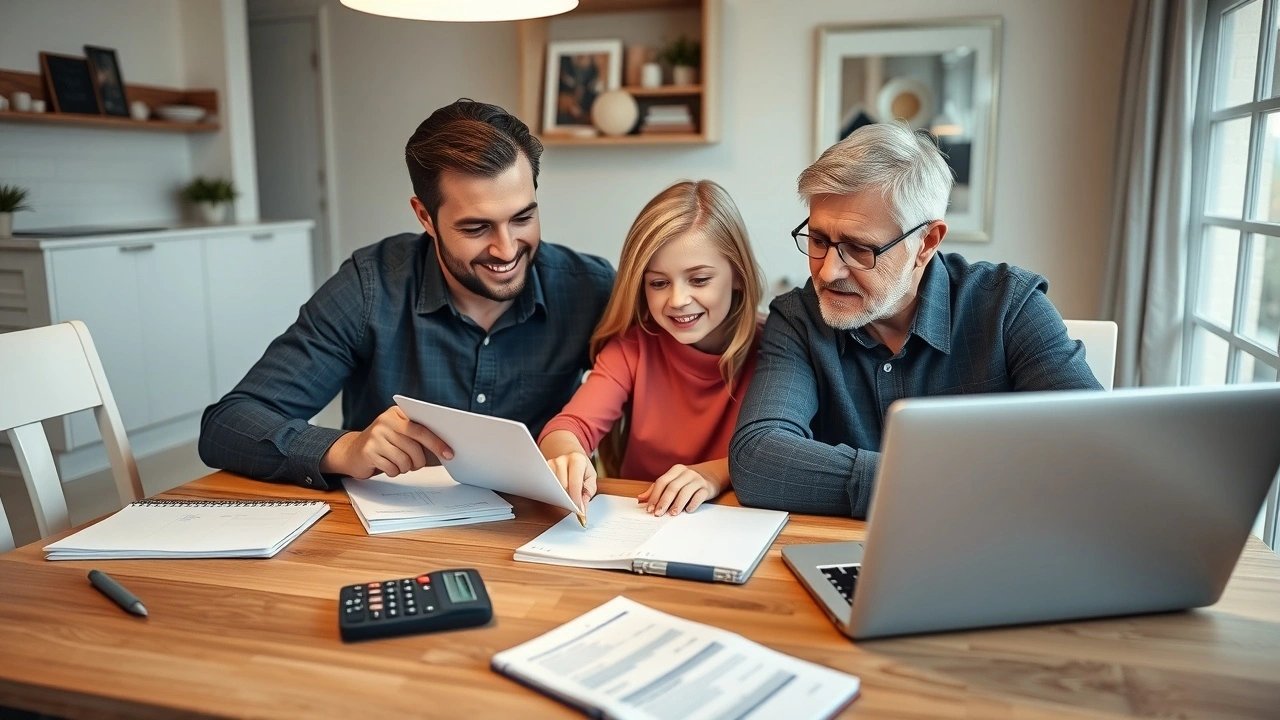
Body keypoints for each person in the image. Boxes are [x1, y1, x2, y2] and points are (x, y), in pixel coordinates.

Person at [199, 99, 615, 489]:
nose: (506, 249)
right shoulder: (370, 287)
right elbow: (228, 424)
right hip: (389, 541)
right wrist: (345, 448)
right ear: (425, 217)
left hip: (534, 533)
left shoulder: (589, 289)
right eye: (476, 228)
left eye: (523, 217)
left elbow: (668, 385)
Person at [729, 122, 1102, 518]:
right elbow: (757, 460)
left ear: (925, 243)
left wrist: (898, 484)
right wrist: (950, 484)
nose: (827, 272)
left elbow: (1092, 449)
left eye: (858, 248)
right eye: (819, 241)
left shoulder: (1010, 306)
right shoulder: (798, 318)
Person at [538, 180, 765, 519]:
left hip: (737, 523)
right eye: (658, 283)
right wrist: (568, 454)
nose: (677, 300)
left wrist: (713, 474)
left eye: (699, 279)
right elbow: (569, 427)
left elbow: (785, 452)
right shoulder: (634, 347)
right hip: (642, 522)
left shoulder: (775, 346)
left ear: (738, 275)